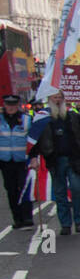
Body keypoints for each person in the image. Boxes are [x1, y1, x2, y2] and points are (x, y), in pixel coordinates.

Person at [29, 90, 80, 235]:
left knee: (77, 190)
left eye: (60, 97)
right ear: (50, 99)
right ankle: (65, 224)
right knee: (60, 193)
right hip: (55, 160)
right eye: (55, 97)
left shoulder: (73, 117)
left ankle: (79, 221)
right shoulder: (43, 119)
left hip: (73, 160)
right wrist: (34, 157)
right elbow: (35, 139)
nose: (58, 100)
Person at [1, 94, 34, 229]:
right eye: (8, 105)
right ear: (4, 105)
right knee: (11, 189)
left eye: (13, 105)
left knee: (24, 188)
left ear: (18, 105)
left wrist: (33, 157)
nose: (11, 108)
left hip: (22, 161)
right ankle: (17, 218)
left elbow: (32, 140)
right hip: (5, 161)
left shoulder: (26, 119)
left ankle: (27, 217)